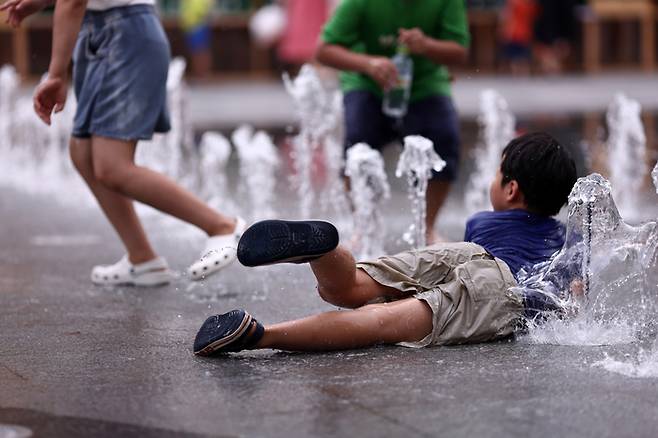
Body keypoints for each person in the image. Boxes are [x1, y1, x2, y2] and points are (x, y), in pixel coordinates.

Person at [192, 132, 578, 356]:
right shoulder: (563, 242)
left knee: (354, 287)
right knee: (383, 322)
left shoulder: (482, 222)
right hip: (506, 290)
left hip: (474, 258)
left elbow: (470, 264)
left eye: (497, 173)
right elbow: (571, 296)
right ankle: (262, 334)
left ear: (511, 190)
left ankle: (325, 251)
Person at [1, 0, 245, 286]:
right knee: (83, 154)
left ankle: (221, 226)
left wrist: (56, 74)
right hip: (103, 33)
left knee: (113, 167)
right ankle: (142, 259)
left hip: (124, 35)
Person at [315, 0, 470, 244]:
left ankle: (427, 227)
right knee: (358, 145)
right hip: (367, 83)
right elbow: (323, 49)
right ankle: (363, 226)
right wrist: (368, 64)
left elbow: (460, 51)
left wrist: (427, 45)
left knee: (445, 138)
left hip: (425, 83)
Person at [500, 0, 538, 76]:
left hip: (516, 34)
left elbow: (506, 17)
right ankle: (522, 76)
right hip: (523, 33)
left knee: (516, 59)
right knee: (521, 59)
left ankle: (518, 76)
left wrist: (505, 31)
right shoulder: (528, 3)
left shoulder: (514, 3)